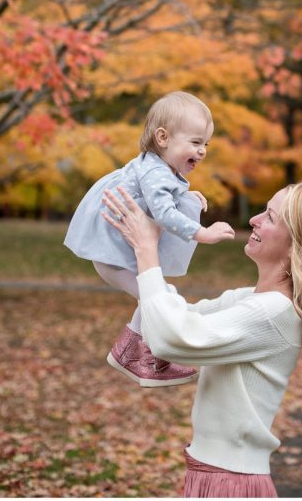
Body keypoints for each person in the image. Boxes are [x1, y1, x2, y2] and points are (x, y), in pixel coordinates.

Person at [102, 179, 302, 498]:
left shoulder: (272, 311)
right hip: (214, 474)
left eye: (271, 217)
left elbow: (172, 339)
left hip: (231, 483)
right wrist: (145, 251)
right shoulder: (251, 300)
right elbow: (178, 317)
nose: (254, 220)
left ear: (296, 247)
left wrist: (146, 250)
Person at [64, 91, 236, 386]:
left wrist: (186, 195)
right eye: (195, 142)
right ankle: (138, 357)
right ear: (163, 137)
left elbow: (158, 199)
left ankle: (135, 353)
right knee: (159, 296)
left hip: (114, 253)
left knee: (159, 294)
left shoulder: (156, 167)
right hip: (113, 257)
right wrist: (203, 233)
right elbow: (165, 214)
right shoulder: (156, 172)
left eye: (205, 143)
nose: (203, 150)